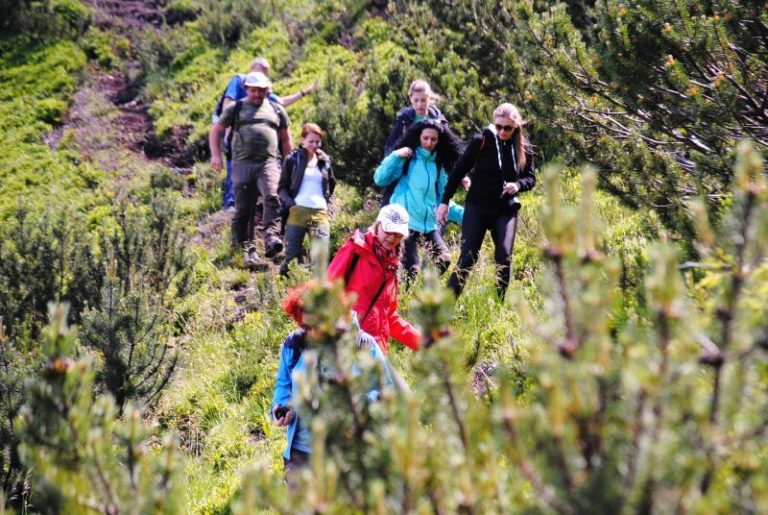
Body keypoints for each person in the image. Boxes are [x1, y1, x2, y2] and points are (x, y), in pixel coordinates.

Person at [271, 285, 394, 482]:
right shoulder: (294, 344)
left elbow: (386, 391)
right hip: (302, 454)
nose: (313, 332)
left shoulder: (363, 345)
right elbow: (283, 384)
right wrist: (282, 406)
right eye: (307, 326)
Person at [437, 102, 536, 301]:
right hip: (478, 207)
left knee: (504, 258)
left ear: (516, 126)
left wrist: (518, 185)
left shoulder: (523, 147)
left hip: (505, 209)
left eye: (508, 128)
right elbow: (458, 171)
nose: (502, 132)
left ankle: (498, 306)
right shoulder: (481, 140)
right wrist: (445, 201)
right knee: (467, 259)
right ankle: (444, 308)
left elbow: (531, 178)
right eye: (499, 126)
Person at [209, 72, 293, 265]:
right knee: (244, 209)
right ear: (247, 89)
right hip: (242, 164)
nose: (257, 94)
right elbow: (216, 130)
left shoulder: (276, 109)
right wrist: (216, 155)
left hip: (268, 162)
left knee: (273, 196)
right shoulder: (236, 108)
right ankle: (246, 249)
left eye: (261, 91)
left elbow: (286, 138)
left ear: (267, 90)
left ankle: (272, 238)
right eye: (253, 90)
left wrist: (289, 163)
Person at [216, 57, 316, 210]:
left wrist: (304, 92)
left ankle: (263, 205)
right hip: (236, 136)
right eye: (261, 69)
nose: (262, 73)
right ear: (252, 67)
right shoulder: (238, 81)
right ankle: (230, 205)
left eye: (265, 72)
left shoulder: (262, 90)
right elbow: (226, 106)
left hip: (260, 148)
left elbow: (281, 102)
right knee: (235, 172)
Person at [373, 120, 463, 282]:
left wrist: (467, 215)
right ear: (418, 137)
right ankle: (403, 295)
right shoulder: (408, 158)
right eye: (425, 138)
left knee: (444, 258)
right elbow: (380, 178)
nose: (429, 143)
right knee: (411, 269)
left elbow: (442, 200)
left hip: (429, 224)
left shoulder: (438, 166)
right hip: (405, 223)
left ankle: (424, 292)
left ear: (439, 140)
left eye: (433, 139)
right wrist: (395, 156)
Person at [327, 204, 422, 354]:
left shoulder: (392, 266)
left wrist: (423, 343)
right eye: (388, 231)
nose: (392, 238)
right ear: (378, 225)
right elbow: (326, 290)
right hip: (345, 345)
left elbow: (389, 317)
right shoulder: (355, 250)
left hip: (375, 353)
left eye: (398, 234)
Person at [278, 123, 336, 276]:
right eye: (311, 141)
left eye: (318, 141)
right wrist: (290, 203)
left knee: (321, 257)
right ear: (302, 140)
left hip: (320, 213)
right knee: (292, 257)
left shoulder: (325, 160)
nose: (315, 145)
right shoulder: (292, 159)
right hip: (297, 212)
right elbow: (281, 188)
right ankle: (287, 287)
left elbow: (331, 187)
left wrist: (329, 208)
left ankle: (317, 288)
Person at [383, 79, 447, 157]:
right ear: (411, 99)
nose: (419, 104)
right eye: (416, 100)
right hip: (410, 161)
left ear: (429, 98)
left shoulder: (439, 120)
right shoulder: (404, 119)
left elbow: (449, 146)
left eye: (423, 100)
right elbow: (389, 147)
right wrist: (390, 161)